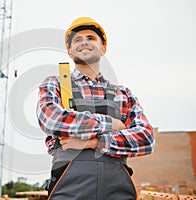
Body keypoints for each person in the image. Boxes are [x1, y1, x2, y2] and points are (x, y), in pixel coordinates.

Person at [36, 16, 155, 200]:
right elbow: (51, 119)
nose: (84, 42)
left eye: (91, 38)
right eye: (77, 39)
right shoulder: (56, 84)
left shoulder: (122, 93)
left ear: (103, 48)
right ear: (70, 52)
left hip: (118, 189)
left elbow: (146, 139)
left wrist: (94, 142)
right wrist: (112, 124)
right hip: (69, 189)